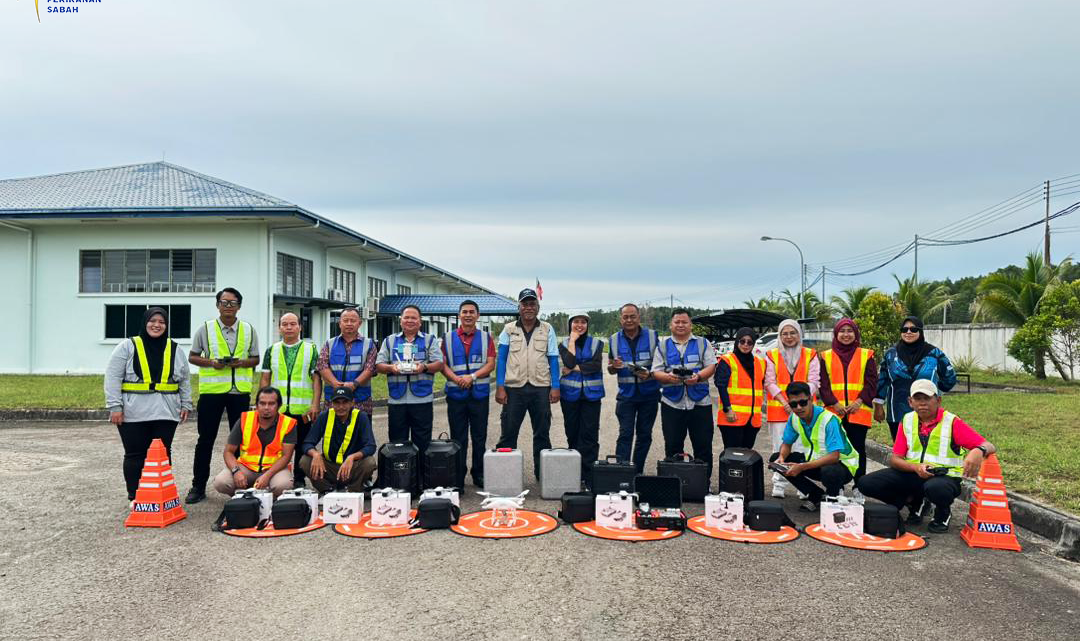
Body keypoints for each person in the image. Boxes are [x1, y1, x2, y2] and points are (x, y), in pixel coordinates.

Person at [858, 379, 996, 533]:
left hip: (944, 478)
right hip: (914, 474)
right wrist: (915, 467)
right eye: (917, 399)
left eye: (927, 398)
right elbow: (895, 459)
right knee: (866, 483)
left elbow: (989, 445)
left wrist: (978, 451)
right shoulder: (908, 420)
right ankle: (914, 502)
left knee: (935, 488)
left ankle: (943, 512)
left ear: (938, 400)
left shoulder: (951, 422)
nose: (922, 403)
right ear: (910, 402)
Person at [104, 307, 192, 503]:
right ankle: (135, 497)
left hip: (166, 413)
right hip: (133, 413)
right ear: (145, 323)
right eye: (153, 321)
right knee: (135, 455)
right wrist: (114, 407)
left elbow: (185, 379)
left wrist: (186, 403)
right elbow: (112, 377)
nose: (157, 325)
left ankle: (161, 497)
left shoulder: (175, 349)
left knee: (162, 455)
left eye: (162, 322)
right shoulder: (127, 346)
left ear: (167, 326)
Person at [186, 287, 261, 504]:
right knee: (205, 440)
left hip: (239, 392)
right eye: (224, 302)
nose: (228, 306)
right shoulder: (205, 329)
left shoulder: (248, 329)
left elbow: (255, 359)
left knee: (239, 441)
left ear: (239, 306)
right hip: (212, 393)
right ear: (217, 304)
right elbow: (193, 357)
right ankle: (198, 486)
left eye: (233, 302)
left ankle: (241, 484)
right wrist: (211, 363)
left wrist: (240, 363)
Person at [495, 288, 561, 480]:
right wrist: (500, 386)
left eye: (532, 304)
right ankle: (505, 475)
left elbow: (553, 359)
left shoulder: (547, 328)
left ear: (538, 307)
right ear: (519, 307)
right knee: (508, 433)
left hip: (540, 388)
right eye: (525, 304)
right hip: (513, 388)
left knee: (542, 433)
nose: (529, 307)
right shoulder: (509, 329)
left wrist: (555, 386)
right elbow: (501, 359)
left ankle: (542, 474)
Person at [770, 382, 858, 511]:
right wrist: (782, 458)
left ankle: (832, 500)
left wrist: (801, 467)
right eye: (793, 404)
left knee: (830, 471)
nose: (799, 408)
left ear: (811, 399)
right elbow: (787, 444)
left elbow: (834, 457)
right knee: (775, 459)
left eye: (803, 402)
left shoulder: (829, 419)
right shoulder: (794, 418)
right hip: (815, 462)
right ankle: (815, 495)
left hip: (842, 466)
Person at [651, 309, 717, 478]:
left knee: (703, 446)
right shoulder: (663, 345)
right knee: (673, 446)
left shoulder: (703, 343)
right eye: (677, 322)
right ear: (670, 325)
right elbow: (655, 371)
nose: (680, 325)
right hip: (672, 403)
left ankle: (703, 484)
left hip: (700, 402)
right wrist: (668, 377)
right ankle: (674, 484)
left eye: (684, 322)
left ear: (690, 324)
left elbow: (711, 365)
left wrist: (699, 376)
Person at [375, 305, 443, 467]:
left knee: (422, 443)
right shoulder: (390, 341)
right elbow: (379, 365)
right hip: (397, 400)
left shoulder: (429, 340)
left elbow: (439, 363)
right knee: (398, 443)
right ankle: (401, 479)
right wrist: (392, 368)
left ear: (420, 322)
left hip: (422, 400)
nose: (410, 321)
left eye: (414, 318)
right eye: (406, 317)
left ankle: (420, 479)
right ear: (400, 321)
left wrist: (424, 367)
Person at [259, 312, 320, 488]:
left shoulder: (311, 349)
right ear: (279, 328)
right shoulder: (272, 350)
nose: (289, 327)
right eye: (285, 324)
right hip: (279, 410)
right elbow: (265, 379)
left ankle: (299, 479)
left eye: (293, 324)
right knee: (278, 446)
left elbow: (316, 379)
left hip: (303, 409)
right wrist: (262, 404)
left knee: (302, 445)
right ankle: (277, 479)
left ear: (300, 327)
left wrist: (315, 404)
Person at [441, 299, 496, 488]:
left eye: (472, 312)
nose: (468, 315)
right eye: (465, 312)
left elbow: (490, 364)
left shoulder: (485, 338)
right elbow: (443, 364)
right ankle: (458, 477)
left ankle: (479, 474)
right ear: (459, 315)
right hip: (456, 395)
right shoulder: (447, 338)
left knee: (480, 437)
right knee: (458, 438)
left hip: (479, 395)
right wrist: (457, 379)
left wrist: (471, 377)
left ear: (478, 316)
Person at [874, 315, 957, 441]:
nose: (908, 332)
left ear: (920, 331)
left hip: (928, 412)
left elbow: (949, 377)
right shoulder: (891, 354)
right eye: (904, 329)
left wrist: (936, 391)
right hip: (897, 414)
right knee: (902, 452)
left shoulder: (934, 354)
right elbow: (883, 380)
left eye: (913, 329)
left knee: (926, 450)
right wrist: (878, 406)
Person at [817, 318, 877, 487]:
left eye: (849, 331)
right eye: (842, 331)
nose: (846, 335)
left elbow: (871, 382)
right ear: (836, 334)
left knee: (858, 450)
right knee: (834, 451)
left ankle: (859, 487)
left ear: (856, 334)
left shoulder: (866, 355)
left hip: (858, 412)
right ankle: (838, 487)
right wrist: (834, 403)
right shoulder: (826, 356)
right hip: (834, 413)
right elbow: (823, 384)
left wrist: (859, 401)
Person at [764, 319, 820, 498]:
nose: (789, 337)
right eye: (784, 334)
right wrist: (785, 402)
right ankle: (778, 483)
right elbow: (769, 382)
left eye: (793, 332)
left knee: (803, 448)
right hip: (780, 409)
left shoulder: (810, 354)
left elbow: (814, 381)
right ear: (780, 336)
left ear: (799, 334)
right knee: (780, 447)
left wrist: (799, 402)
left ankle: (802, 486)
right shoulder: (771, 355)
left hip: (805, 410)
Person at [211, 386, 296, 498]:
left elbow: (286, 456)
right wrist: (236, 472)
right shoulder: (245, 419)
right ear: (256, 405)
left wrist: (267, 476)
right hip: (246, 467)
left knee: (283, 485)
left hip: (273, 468)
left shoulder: (288, 423)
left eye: (271, 403)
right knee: (221, 482)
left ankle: (266, 497)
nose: (266, 407)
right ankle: (242, 497)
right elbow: (228, 452)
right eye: (262, 403)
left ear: (279, 406)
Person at [607, 303, 660, 474]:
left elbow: (662, 365)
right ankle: (622, 472)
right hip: (626, 397)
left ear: (639, 317)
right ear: (620, 319)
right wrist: (613, 366)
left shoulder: (653, 337)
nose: (629, 320)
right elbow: (610, 369)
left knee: (644, 436)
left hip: (649, 395)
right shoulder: (614, 339)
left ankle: (637, 471)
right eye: (625, 317)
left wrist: (650, 374)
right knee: (625, 434)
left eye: (632, 316)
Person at [300, 387, 378, 493]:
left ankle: (353, 490)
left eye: (345, 402)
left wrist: (352, 457)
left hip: (351, 466)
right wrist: (316, 454)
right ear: (332, 403)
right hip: (329, 467)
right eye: (337, 403)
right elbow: (307, 443)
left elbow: (370, 446)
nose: (341, 407)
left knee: (369, 462)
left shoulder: (361, 417)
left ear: (352, 403)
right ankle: (327, 490)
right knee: (305, 461)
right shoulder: (325, 416)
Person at [559, 312, 605, 488]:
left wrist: (573, 368)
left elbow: (595, 365)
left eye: (583, 322)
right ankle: (575, 472)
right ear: (570, 324)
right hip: (569, 396)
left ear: (587, 325)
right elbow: (569, 362)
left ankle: (589, 474)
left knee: (590, 435)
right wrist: (572, 340)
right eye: (576, 322)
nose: (580, 325)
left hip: (591, 396)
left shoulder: (596, 343)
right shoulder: (563, 344)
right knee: (572, 433)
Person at [317, 307, 378, 417]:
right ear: (340, 323)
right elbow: (322, 365)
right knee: (332, 433)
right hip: (333, 401)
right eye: (345, 320)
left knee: (360, 433)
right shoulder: (329, 344)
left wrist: (354, 384)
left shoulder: (369, 344)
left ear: (359, 323)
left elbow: (370, 368)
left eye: (353, 321)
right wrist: (334, 383)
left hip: (360, 401)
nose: (349, 323)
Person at [713, 327, 765, 451]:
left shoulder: (760, 362)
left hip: (752, 420)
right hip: (732, 418)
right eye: (742, 341)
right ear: (737, 342)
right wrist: (728, 409)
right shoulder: (727, 360)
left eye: (750, 342)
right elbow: (721, 386)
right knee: (732, 456)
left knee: (746, 456)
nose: (746, 345)